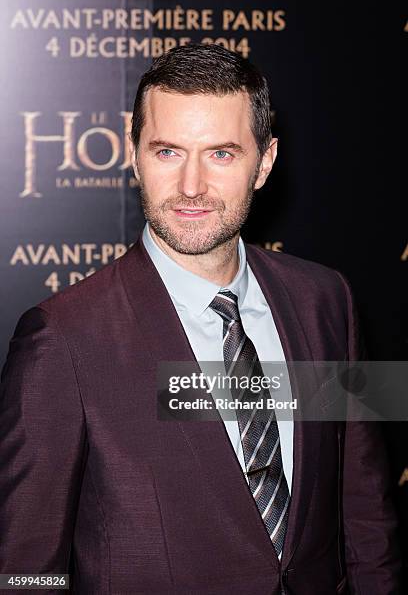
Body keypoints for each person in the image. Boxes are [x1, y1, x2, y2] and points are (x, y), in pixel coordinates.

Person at [0, 43, 401, 594]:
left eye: (221, 154)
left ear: (265, 162)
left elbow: (366, 508)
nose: (191, 186)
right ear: (134, 154)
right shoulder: (60, 339)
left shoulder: (327, 299)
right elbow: (24, 570)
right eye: (167, 152)